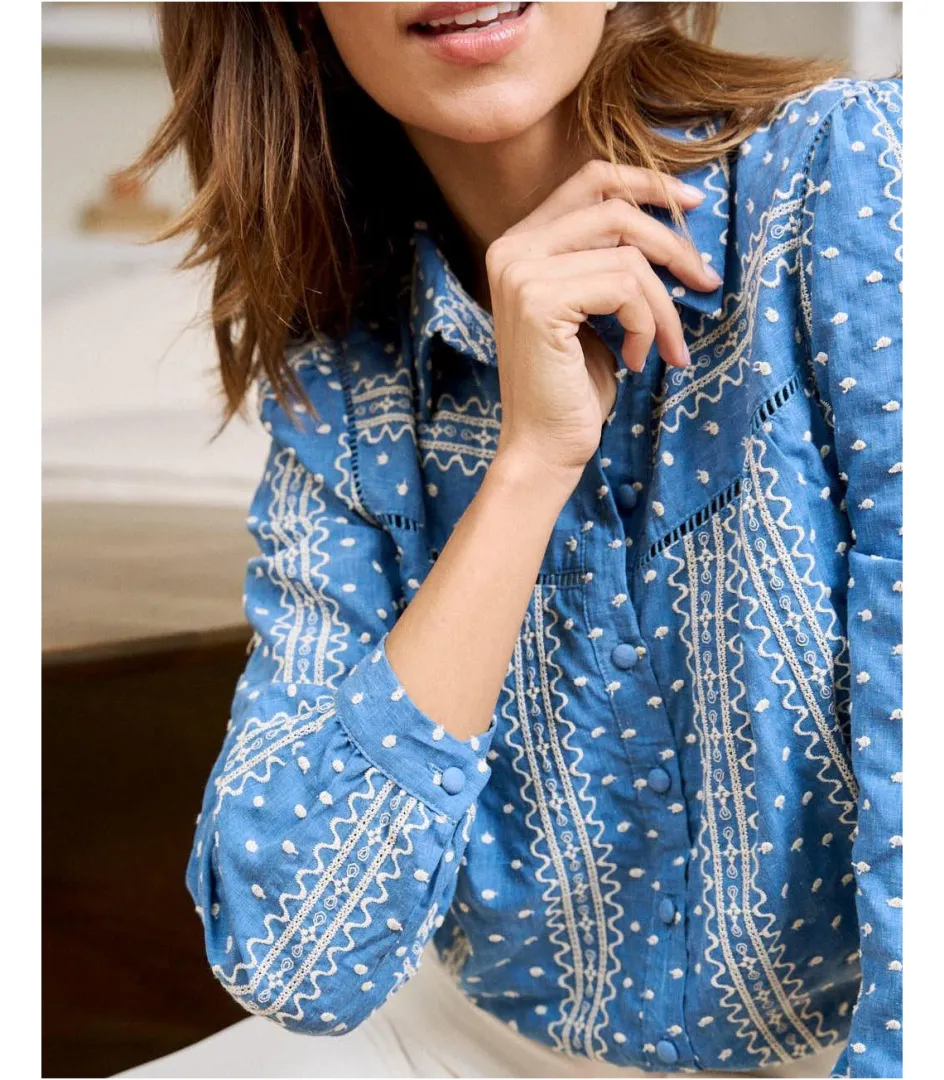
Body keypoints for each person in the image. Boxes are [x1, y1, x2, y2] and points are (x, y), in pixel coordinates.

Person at [120, 3, 902, 1077]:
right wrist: (529, 464)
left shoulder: (852, 169)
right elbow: (293, 958)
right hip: (469, 1045)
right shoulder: (346, 370)